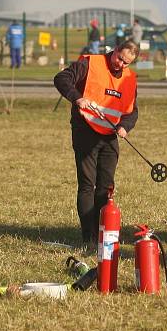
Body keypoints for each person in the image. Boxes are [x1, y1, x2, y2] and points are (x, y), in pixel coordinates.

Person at [53, 40, 140, 244]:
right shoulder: (90, 63)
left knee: (106, 186)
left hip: (109, 136)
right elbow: (61, 78)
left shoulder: (130, 78)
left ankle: (102, 232)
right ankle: (88, 236)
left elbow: (132, 110)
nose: (121, 64)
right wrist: (77, 98)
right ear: (116, 50)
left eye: (126, 63)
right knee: (87, 185)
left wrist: (125, 126)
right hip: (86, 131)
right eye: (119, 58)